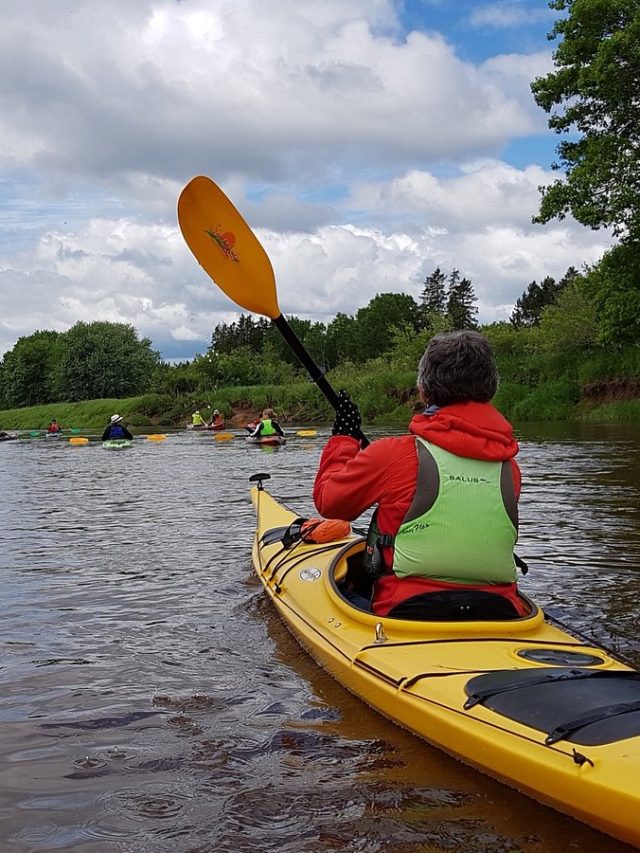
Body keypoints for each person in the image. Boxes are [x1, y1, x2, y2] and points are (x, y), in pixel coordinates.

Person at [313, 330, 527, 620]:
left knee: (350, 586)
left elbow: (331, 503)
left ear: (424, 390)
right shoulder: (509, 468)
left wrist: (344, 440)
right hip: (502, 612)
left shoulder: (392, 454)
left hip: (407, 610)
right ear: (490, 389)